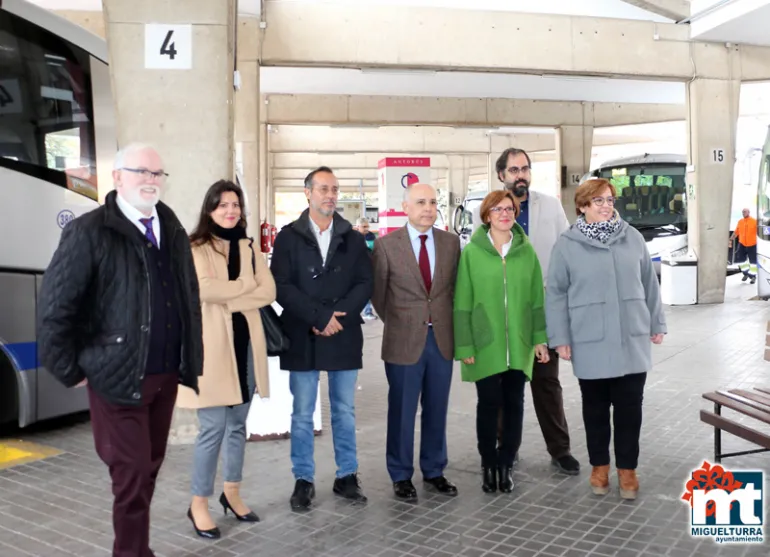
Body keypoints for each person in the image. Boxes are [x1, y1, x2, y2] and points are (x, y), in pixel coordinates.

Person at [37, 143, 203, 557]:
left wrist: (191, 357)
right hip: (115, 377)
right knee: (129, 477)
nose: (150, 180)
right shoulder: (89, 231)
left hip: (164, 376)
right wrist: (68, 369)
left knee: (147, 470)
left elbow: (187, 295)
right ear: (117, 177)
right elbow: (56, 306)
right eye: (141, 172)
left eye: (157, 174)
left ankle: (137, 549)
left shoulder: (172, 227)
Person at [545, 178, 666, 500]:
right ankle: (600, 467)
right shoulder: (567, 245)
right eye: (598, 201)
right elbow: (555, 293)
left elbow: (649, 284)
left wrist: (657, 322)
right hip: (590, 339)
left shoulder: (633, 238)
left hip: (631, 337)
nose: (606, 206)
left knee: (630, 409)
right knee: (595, 409)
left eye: (610, 200)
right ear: (582, 206)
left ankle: (627, 470)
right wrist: (560, 337)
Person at [177, 180, 276, 539]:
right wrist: (245, 290)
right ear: (210, 209)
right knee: (212, 429)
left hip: (246, 346)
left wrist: (232, 296)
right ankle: (198, 503)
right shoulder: (195, 247)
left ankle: (231, 492)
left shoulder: (251, 249)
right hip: (211, 350)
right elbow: (204, 289)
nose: (230, 211)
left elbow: (269, 291)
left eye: (235, 205)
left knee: (237, 425)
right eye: (223, 205)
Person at [270, 166, 372, 511]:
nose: (330, 195)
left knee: (344, 410)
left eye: (335, 190)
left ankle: (347, 476)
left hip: (343, 333)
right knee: (301, 413)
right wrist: (318, 317)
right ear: (308, 193)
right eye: (324, 189)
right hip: (302, 333)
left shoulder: (353, 238)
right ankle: (303, 480)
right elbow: (281, 285)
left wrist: (335, 317)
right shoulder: (288, 237)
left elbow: (364, 283)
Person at [487, 147, 580, 476]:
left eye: (524, 169)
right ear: (502, 175)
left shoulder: (551, 207)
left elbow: (569, 250)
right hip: (503, 311)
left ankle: (560, 449)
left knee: (547, 383)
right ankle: (505, 448)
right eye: (513, 170)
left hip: (543, 310)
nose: (520, 175)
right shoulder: (488, 211)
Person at [454, 190, 550, 494]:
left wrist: (539, 339)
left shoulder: (527, 252)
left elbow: (537, 300)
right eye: (497, 209)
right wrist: (466, 345)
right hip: (485, 344)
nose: (504, 214)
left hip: (519, 344)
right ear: (486, 215)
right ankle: (489, 464)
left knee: (514, 405)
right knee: (488, 404)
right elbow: (462, 303)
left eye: (509, 209)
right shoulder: (472, 253)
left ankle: (506, 463)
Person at [372, 183, 461, 502]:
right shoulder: (385, 246)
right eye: (420, 202)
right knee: (402, 411)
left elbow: (453, 290)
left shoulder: (451, 244)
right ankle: (400, 474)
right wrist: (403, 322)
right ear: (404, 207)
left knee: (437, 408)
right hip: (403, 341)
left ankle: (435, 469)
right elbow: (379, 296)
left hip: (441, 340)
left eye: (433, 202)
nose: (428, 208)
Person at [355, 217, 377, 320]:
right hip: (355, 271)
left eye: (367, 226)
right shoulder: (352, 238)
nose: (366, 229)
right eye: (364, 227)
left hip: (368, 268)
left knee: (367, 290)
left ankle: (368, 311)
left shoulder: (371, 237)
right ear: (357, 227)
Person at [731, 207, 758, 284]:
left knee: (753, 262)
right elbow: (736, 232)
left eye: (745, 212)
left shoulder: (754, 221)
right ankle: (745, 274)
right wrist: (731, 239)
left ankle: (753, 277)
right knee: (741, 260)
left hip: (752, 244)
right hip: (742, 244)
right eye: (743, 212)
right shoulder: (740, 221)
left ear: (749, 212)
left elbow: (759, 232)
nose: (743, 213)